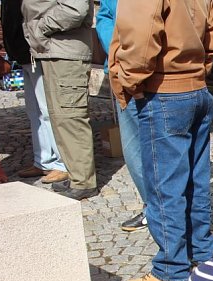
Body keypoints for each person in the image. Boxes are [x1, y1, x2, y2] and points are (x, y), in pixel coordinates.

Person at [109, 0, 213, 281]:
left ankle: (171, 269)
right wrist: (197, 70)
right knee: (195, 182)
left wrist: (128, 81)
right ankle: (202, 254)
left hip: (165, 91)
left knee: (164, 186)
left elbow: (141, 35)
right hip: (196, 89)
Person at [21, 0, 96, 199]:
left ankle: (83, 181)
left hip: (65, 53)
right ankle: (77, 176)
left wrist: (39, 28)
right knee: (61, 118)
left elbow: (75, 9)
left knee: (70, 117)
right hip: (55, 50)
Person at [0, 0, 68, 185]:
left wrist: (38, 33)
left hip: (37, 49)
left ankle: (62, 163)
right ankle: (43, 160)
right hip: (23, 51)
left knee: (48, 109)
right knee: (34, 110)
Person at [94, 0, 147, 232]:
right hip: (122, 72)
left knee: (164, 147)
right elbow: (105, 17)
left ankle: (172, 211)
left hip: (159, 73)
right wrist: (116, 52)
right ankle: (152, 207)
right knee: (133, 146)